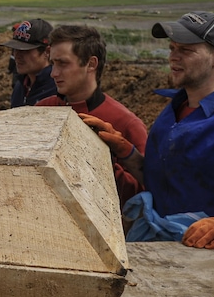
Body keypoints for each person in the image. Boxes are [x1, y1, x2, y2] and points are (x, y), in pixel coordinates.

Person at [83, 12, 214, 249]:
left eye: (186, 51)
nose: (173, 58)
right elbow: (162, 181)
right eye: (172, 48)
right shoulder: (174, 111)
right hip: (169, 237)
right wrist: (126, 151)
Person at [36, 25, 147, 208]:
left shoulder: (126, 123)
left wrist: (104, 167)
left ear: (91, 64)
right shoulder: (41, 111)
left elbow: (144, 194)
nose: (54, 73)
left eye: (63, 63)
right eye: (53, 63)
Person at [4, 18, 57, 108]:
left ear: (47, 52)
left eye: (25, 50)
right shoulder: (21, 84)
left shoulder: (57, 87)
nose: (17, 55)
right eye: (15, 49)